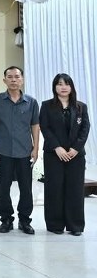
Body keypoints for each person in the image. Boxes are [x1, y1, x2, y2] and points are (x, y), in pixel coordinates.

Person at [0, 66, 40, 235]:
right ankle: (6, 219)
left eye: (17, 76)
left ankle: (24, 220)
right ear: (4, 80)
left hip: (25, 151)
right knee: (4, 186)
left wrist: (36, 148)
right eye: (9, 77)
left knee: (26, 188)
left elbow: (35, 125)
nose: (13, 80)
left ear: (22, 79)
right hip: (3, 150)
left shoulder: (31, 102)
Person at [39, 73, 90, 236]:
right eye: (59, 84)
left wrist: (75, 149)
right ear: (55, 87)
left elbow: (85, 129)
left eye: (66, 84)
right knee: (54, 188)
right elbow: (45, 127)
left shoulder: (81, 107)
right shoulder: (46, 106)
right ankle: (55, 225)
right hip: (54, 154)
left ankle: (75, 226)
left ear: (71, 87)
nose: (63, 87)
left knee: (75, 189)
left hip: (76, 155)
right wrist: (57, 147)